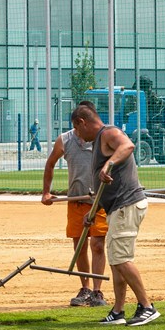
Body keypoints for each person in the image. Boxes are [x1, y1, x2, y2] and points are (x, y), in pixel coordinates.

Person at [71, 103, 158, 326]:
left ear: (82, 122)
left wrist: (108, 164)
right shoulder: (99, 140)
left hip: (126, 206)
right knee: (116, 259)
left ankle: (147, 306)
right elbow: (104, 190)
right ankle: (118, 311)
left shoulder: (109, 133)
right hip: (115, 209)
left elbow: (128, 146)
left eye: (77, 130)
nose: (79, 137)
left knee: (121, 258)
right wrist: (93, 211)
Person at [41, 105, 109, 308]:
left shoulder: (103, 138)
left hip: (99, 201)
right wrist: (46, 191)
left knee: (97, 245)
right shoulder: (66, 139)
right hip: (76, 200)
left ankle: (97, 291)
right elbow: (50, 163)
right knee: (79, 246)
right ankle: (85, 288)